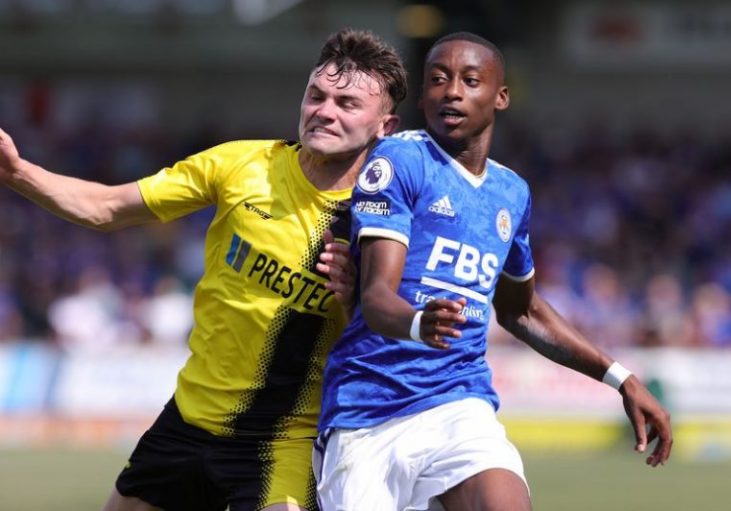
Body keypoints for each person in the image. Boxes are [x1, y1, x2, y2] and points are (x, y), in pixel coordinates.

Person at [0, 29, 407, 511]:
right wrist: (15, 171)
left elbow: (393, 344)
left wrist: (354, 298)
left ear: (385, 126)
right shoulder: (241, 164)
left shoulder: (384, 217)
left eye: (347, 103)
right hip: (187, 423)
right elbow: (105, 207)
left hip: (283, 442)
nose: (325, 111)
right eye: (316, 95)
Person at [314, 32, 673, 511]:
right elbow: (377, 296)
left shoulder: (511, 192)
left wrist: (621, 378)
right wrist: (420, 323)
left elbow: (522, 311)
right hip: (368, 412)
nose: (452, 91)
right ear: (422, 97)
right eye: (438, 79)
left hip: (459, 404)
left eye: (470, 80)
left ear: (501, 96)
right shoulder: (401, 160)